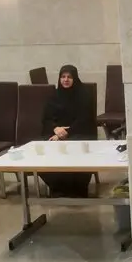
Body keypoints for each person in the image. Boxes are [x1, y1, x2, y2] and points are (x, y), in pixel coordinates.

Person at [40, 64, 96, 198]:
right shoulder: (54, 96)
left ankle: (77, 190)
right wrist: (55, 129)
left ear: (75, 78)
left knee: (75, 147)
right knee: (43, 150)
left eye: (69, 77)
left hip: (80, 132)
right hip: (56, 133)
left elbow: (84, 119)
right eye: (63, 77)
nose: (66, 80)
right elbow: (46, 118)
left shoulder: (84, 96)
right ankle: (58, 189)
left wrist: (66, 133)